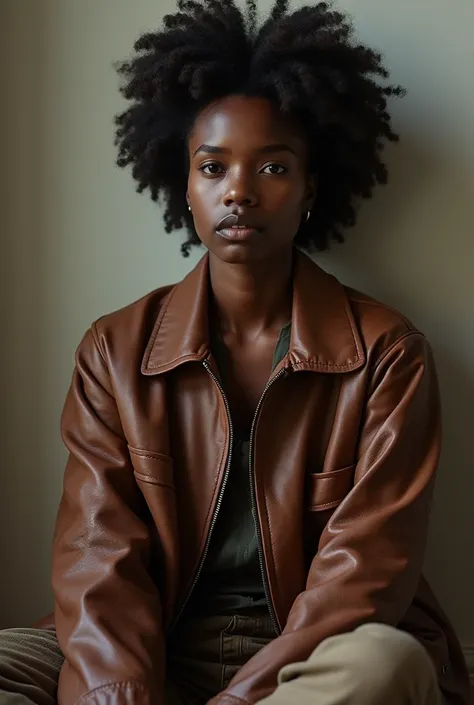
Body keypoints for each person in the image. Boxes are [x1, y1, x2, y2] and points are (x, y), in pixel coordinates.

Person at [0, 0, 469, 704]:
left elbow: (364, 577)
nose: (240, 192)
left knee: (384, 664)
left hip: (306, 663)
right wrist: (122, 693)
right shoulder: (115, 349)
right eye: (213, 167)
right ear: (183, 184)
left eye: (273, 168)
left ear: (311, 188)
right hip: (155, 646)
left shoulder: (387, 353)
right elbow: (98, 557)